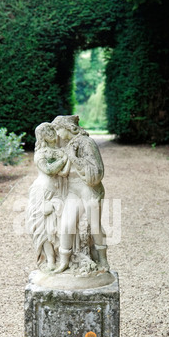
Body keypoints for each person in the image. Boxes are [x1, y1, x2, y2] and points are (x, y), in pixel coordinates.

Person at [51, 115, 109, 273]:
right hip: (73, 190)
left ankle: (103, 259)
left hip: (89, 188)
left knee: (95, 224)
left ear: (68, 128)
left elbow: (97, 171)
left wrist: (73, 157)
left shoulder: (86, 142)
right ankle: (64, 261)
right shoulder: (66, 144)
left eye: (58, 129)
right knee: (66, 224)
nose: (57, 134)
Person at [27, 122, 70, 270]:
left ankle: (62, 259)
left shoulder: (61, 149)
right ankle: (50, 259)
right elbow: (49, 170)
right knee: (43, 228)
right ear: (42, 137)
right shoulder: (40, 153)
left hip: (59, 192)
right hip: (42, 193)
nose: (51, 133)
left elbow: (65, 172)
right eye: (46, 132)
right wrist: (65, 159)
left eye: (51, 129)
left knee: (59, 226)